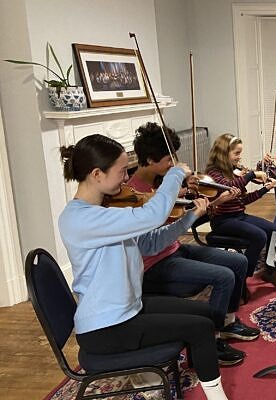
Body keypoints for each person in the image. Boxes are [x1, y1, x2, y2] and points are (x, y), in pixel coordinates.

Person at [58, 134, 237, 400]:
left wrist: (190, 216)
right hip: (106, 326)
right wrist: (175, 173)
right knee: (198, 329)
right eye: (121, 171)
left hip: (129, 307)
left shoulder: (107, 213)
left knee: (208, 314)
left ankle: (200, 364)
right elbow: (152, 215)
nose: (125, 177)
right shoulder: (79, 219)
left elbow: (151, 243)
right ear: (97, 174)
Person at [127, 122, 260, 352]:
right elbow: (152, 240)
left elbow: (179, 213)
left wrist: (189, 194)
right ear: (149, 160)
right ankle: (213, 340)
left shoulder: (161, 184)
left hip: (174, 248)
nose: (173, 165)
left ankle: (227, 322)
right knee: (224, 276)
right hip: (155, 265)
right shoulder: (133, 195)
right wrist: (187, 211)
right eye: (168, 160)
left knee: (239, 261)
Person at [205, 133, 276, 291]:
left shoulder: (233, 171)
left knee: (275, 230)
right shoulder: (213, 174)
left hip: (239, 216)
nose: (239, 158)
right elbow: (228, 186)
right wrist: (251, 175)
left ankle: (271, 271)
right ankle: (242, 280)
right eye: (236, 153)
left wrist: (264, 189)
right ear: (223, 154)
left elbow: (243, 201)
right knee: (259, 236)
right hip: (222, 221)